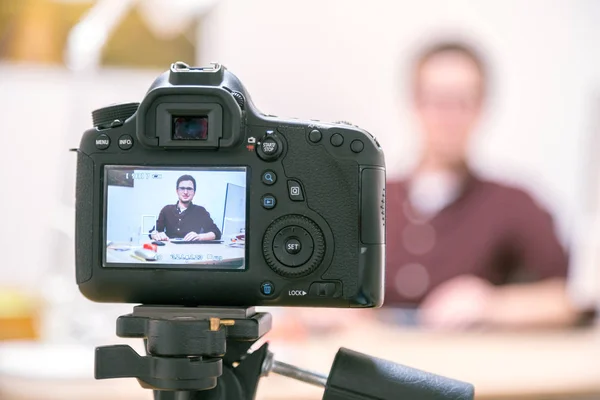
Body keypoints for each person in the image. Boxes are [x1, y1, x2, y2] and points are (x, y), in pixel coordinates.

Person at [386, 41, 580, 329]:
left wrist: (490, 304)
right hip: (371, 363)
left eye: (463, 100)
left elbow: (566, 300)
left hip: (473, 366)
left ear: (482, 107)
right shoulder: (370, 198)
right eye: (437, 99)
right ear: (415, 103)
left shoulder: (514, 202)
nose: (449, 116)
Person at [150, 174, 222, 241]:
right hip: (170, 250)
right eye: (182, 188)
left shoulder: (200, 211)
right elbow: (153, 231)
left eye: (189, 189)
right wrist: (156, 234)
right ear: (177, 191)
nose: (185, 192)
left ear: (194, 192)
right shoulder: (166, 210)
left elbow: (216, 233)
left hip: (192, 251)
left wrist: (200, 236)